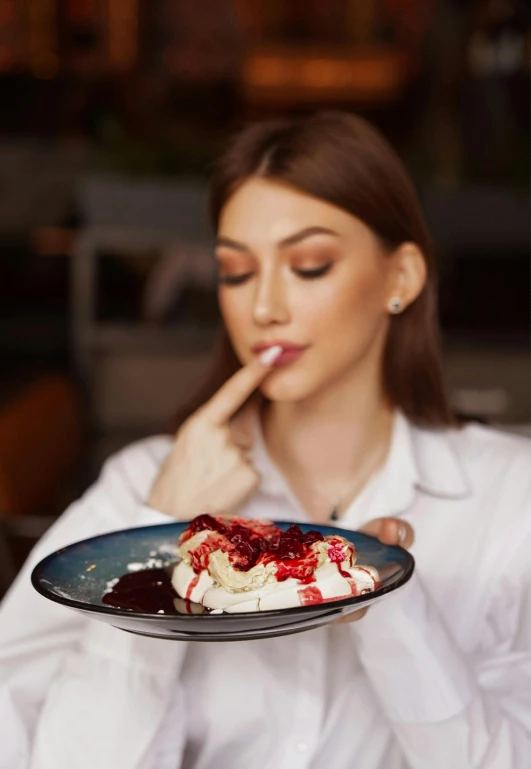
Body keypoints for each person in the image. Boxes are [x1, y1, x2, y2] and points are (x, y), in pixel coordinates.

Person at [0, 111, 530, 769]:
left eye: (309, 265)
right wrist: (156, 542)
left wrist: (393, 609)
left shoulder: (510, 499)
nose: (262, 307)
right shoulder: (144, 485)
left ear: (400, 278)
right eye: (235, 272)